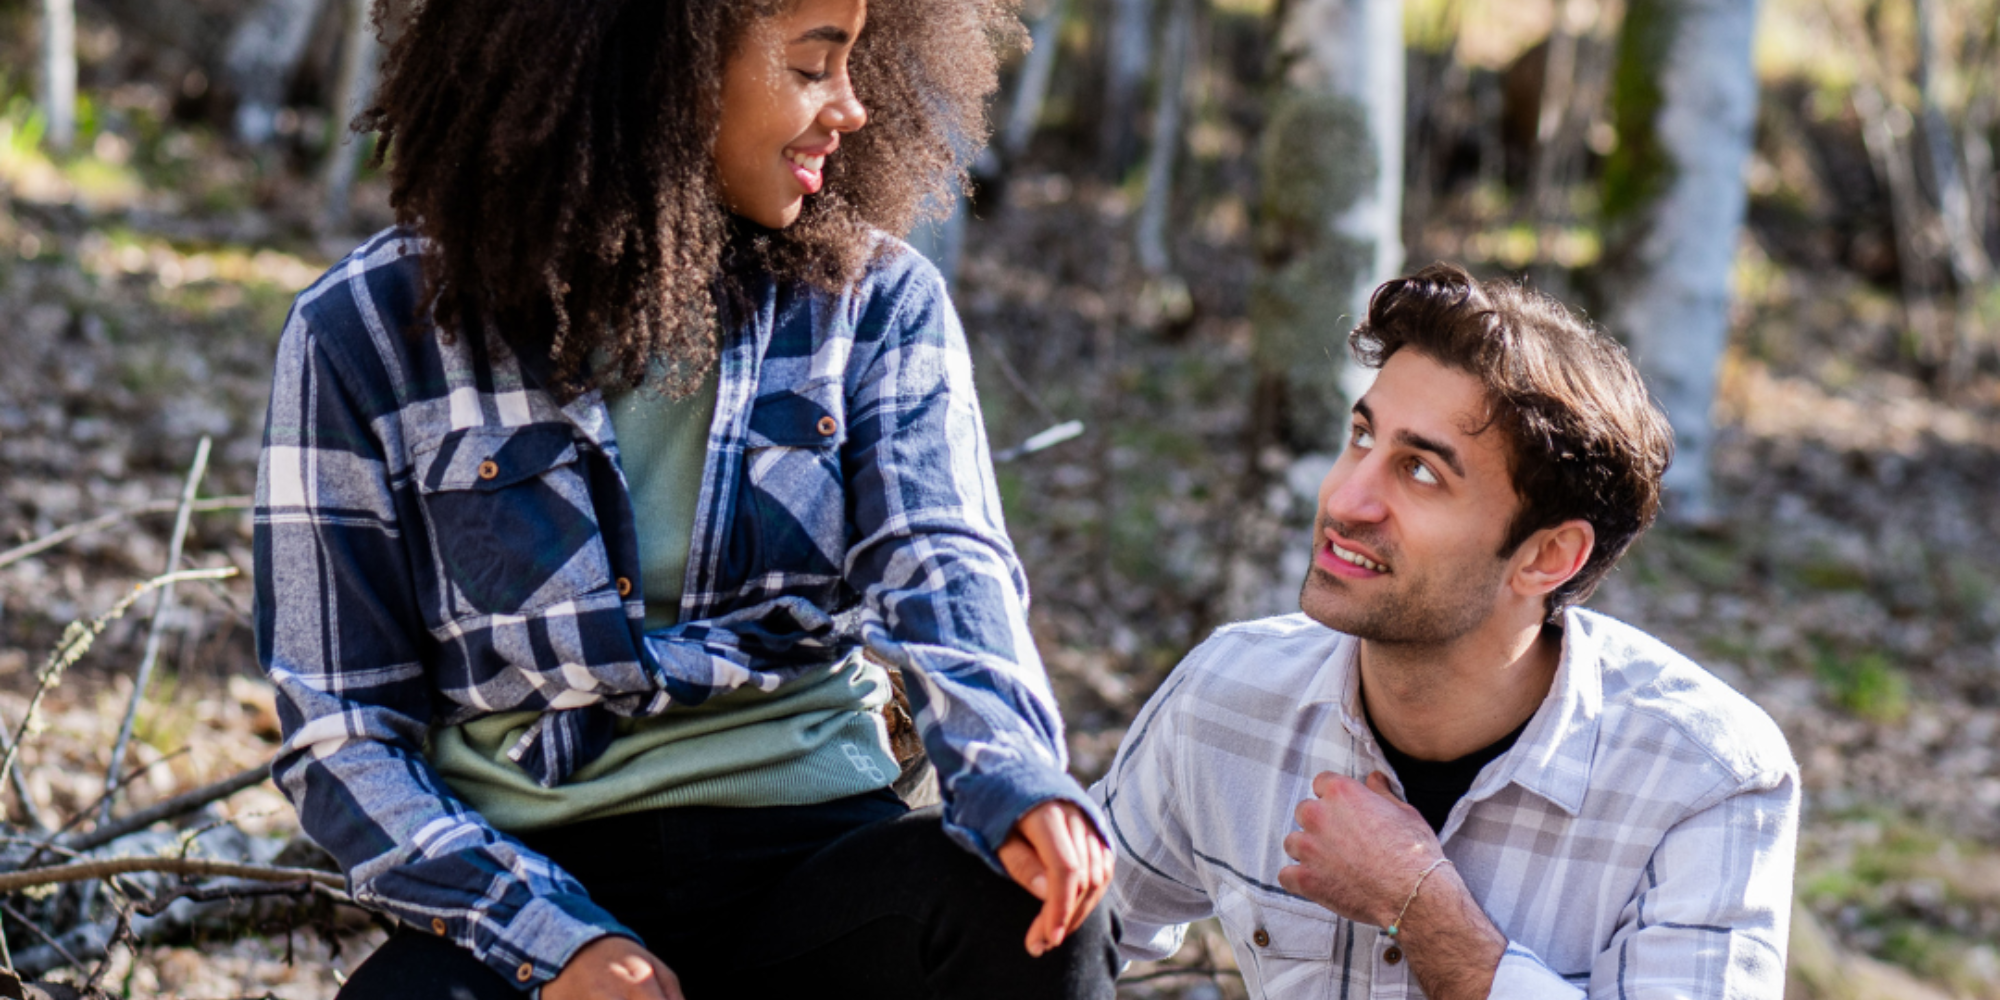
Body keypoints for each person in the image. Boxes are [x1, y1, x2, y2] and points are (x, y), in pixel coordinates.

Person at [252, 0, 1116, 997]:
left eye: (856, 62)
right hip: (529, 869)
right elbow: (342, 731)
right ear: (661, 67)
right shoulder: (359, 333)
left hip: (816, 858)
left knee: (1026, 915)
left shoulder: (874, 303)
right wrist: (552, 941)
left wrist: (1011, 775)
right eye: (810, 64)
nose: (853, 107)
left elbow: (945, 564)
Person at [1091, 263, 1799, 999]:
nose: (1348, 498)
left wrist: (1423, 907)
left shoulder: (1704, 777)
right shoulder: (1228, 696)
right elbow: (1051, 931)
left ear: (1547, 557)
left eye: (1421, 472)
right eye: (1362, 436)